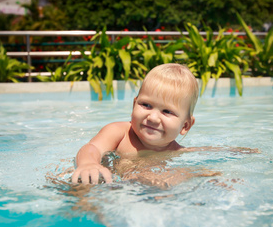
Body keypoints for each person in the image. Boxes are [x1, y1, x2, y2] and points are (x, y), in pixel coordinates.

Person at [71, 63, 200, 185]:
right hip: (106, 184)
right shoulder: (119, 133)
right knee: (82, 184)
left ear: (185, 126)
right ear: (134, 105)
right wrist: (88, 163)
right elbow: (92, 147)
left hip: (146, 191)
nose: (153, 118)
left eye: (167, 111)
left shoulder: (179, 152)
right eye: (146, 105)